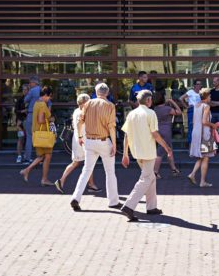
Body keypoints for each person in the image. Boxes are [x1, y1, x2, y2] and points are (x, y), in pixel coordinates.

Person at [120, 89, 173, 221]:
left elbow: (126, 135)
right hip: (148, 152)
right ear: (149, 100)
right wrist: (167, 148)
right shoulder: (151, 113)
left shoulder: (132, 114)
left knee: (150, 177)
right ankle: (129, 206)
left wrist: (125, 154)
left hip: (136, 151)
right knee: (146, 179)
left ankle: (151, 207)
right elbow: (155, 134)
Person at [70, 83, 119, 212]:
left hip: (89, 141)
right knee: (110, 172)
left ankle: (76, 197)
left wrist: (80, 136)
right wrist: (114, 144)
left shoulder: (87, 104)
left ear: (96, 92)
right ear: (107, 93)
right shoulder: (110, 106)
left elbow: (80, 121)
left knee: (86, 170)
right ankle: (113, 201)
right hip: (103, 140)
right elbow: (111, 127)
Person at [54, 94, 98, 193]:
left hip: (78, 140)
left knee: (81, 162)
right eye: (88, 102)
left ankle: (91, 184)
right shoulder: (82, 113)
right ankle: (90, 184)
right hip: (83, 140)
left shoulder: (76, 111)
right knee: (86, 163)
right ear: (84, 103)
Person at [20, 86, 54, 186]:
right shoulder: (43, 105)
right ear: (46, 95)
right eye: (49, 96)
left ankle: (28, 171)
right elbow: (40, 120)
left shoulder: (36, 104)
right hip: (43, 133)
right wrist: (50, 120)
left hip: (37, 133)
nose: (49, 99)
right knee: (47, 156)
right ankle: (43, 179)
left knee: (43, 156)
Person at [187, 87, 219, 188]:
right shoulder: (206, 106)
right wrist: (213, 125)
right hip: (204, 133)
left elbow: (195, 120)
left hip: (196, 132)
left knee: (201, 156)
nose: (210, 97)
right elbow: (204, 121)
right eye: (210, 96)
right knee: (206, 157)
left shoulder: (196, 105)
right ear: (207, 96)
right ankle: (202, 181)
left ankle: (192, 174)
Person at [152, 91, 181, 178]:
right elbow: (179, 112)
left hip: (158, 129)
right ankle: (155, 172)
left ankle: (174, 169)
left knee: (169, 150)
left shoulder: (155, 109)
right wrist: (172, 102)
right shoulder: (167, 109)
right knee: (160, 152)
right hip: (166, 131)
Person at [23, 77, 40, 162]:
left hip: (32, 114)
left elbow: (25, 100)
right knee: (39, 136)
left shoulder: (32, 91)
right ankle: (39, 157)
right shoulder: (42, 90)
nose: (29, 84)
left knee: (29, 136)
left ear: (34, 83)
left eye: (30, 83)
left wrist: (28, 92)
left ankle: (28, 157)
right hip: (41, 115)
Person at [181, 78, 202, 144]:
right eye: (198, 84)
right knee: (191, 127)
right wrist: (186, 106)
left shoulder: (201, 93)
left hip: (199, 110)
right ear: (194, 85)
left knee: (198, 128)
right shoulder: (190, 92)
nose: (199, 85)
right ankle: (190, 145)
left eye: (200, 84)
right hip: (192, 110)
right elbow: (181, 98)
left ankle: (197, 144)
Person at [14, 83, 29, 164]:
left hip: (29, 123)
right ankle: (19, 156)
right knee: (20, 138)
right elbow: (15, 111)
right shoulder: (20, 100)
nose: (25, 91)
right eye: (23, 89)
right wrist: (23, 111)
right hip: (20, 122)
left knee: (28, 140)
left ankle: (27, 156)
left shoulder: (31, 100)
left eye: (26, 89)